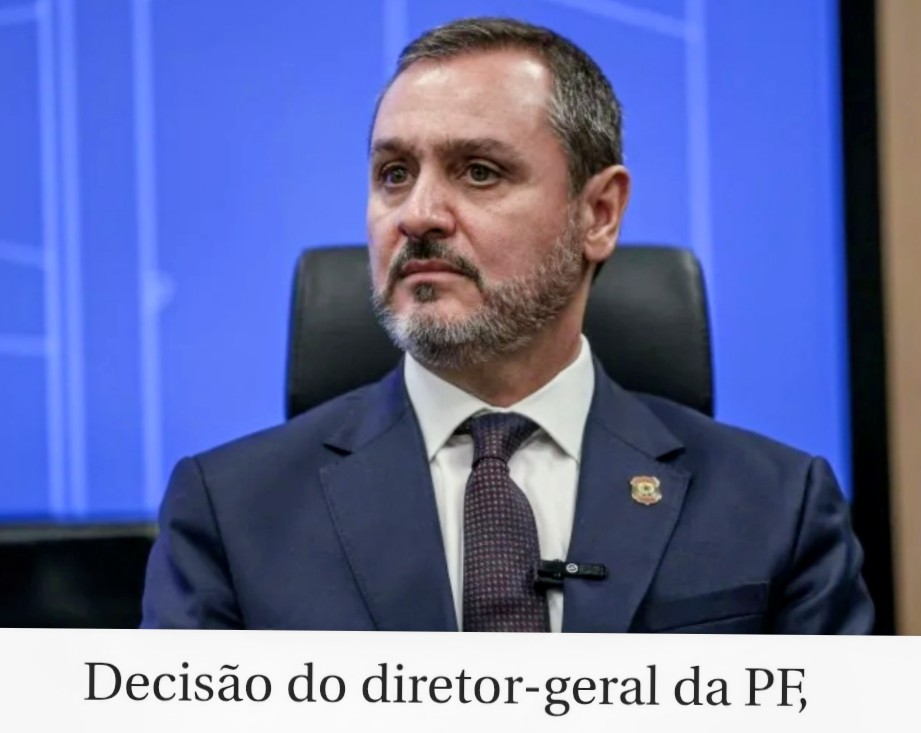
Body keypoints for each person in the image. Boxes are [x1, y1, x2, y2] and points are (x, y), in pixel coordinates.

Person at [141, 17, 873, 633]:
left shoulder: (777, 506)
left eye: (479, 172)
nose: (418, 214)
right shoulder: (230, 513)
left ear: (599, 214)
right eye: (394, 174)